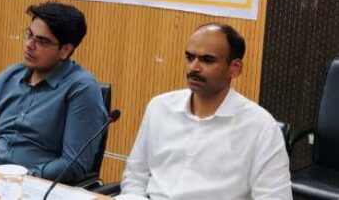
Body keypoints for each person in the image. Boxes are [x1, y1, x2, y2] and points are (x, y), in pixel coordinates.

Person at [119, 23, 292, 200]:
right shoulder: (160, 107)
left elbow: (275, 197)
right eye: (190, 57)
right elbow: (135, 176)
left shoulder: (260, 126)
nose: (193, 67)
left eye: (207, 60)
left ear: (235, 68)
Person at [0, 1, 107, 184]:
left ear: (65, 50)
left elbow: (74, 164)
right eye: (30, 35)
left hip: (38, 187)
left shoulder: (82, 89)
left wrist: (21, 178)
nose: (29, 45)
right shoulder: (10, 76)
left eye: (42, 41)